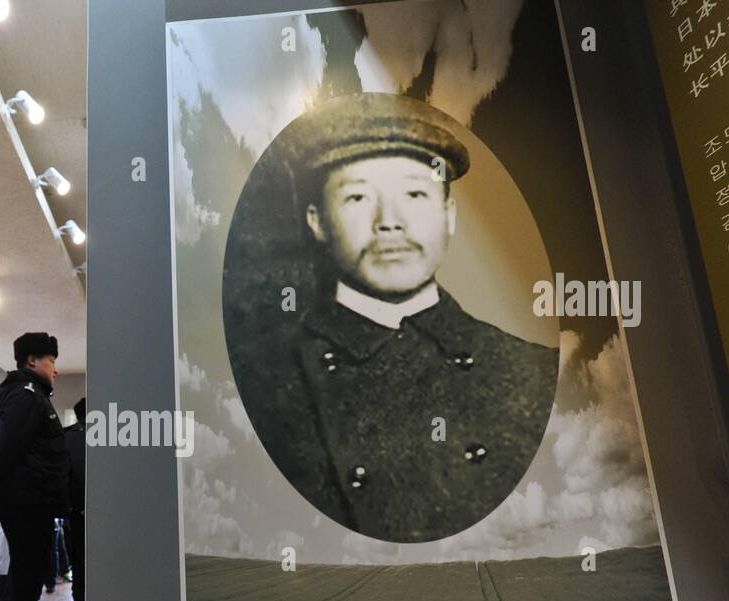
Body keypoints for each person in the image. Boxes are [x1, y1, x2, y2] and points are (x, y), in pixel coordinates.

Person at [231, 93, 558, 543]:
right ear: (316, 221)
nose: (390, 222)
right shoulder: (261, 382)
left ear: (448, 215)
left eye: (415, 193)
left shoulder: (535, 371)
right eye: (358, 196)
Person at [0, 332, 70, 601]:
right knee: (26, 575)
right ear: (32, 360)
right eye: (52, 361)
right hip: (25, 502)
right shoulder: (26, 395)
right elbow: (4, 447)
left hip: (28, 500)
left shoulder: (31, 394)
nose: (56, 370)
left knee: (27, 575)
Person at [65, 397, 86, 601]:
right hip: (101, 512)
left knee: (79, 561)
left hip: (75, 511)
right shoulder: (106, 436)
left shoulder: (66, 436)